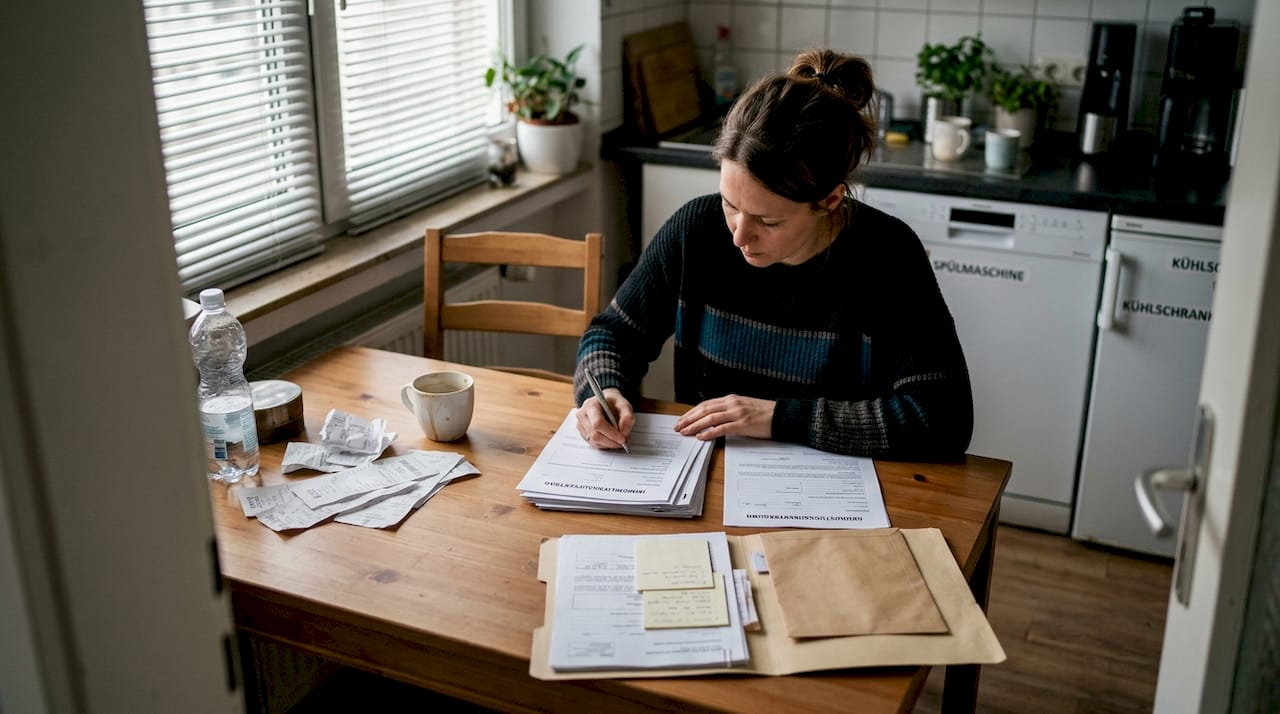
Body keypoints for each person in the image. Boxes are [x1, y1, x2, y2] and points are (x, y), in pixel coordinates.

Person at [574, 48, 973, 459]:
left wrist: (779, 417)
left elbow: (944, 420)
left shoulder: (888, 256)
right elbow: (613, 333)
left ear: (831, 200)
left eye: (768, 221)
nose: (739, 236)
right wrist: (601, 392)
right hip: (708, 480)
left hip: (838, 495)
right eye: (730, 204)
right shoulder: (696, 229)